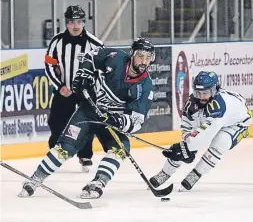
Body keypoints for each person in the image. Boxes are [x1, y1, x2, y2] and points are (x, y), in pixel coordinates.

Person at [18, 37, 155, 199]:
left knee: (120, 149)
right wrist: (85, 73)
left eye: (148, 57)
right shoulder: (115, 57)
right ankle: (35, 178)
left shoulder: (145, 86)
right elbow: (91, 56)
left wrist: (120, 121)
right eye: (140, 55)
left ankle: (98, 182)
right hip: (88, 111)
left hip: (110, 121)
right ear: (132, 54)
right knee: (66, 147)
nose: (144, 61)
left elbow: (137, 120)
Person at [150, 71, 252, 191]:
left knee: (220, 143)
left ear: (214, 90)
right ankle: (164, 173)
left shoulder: (219, 106)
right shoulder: (191, 103)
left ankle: (195, 174)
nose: (201, 96)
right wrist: (186, 143)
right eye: (198, 93)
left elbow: (205, 137)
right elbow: (187, 128)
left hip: (236, 124)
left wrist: (187, 149)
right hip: (215, 120)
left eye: (205, 93)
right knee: (185, 145)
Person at [44, 5, 104, 172]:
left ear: (84, 22)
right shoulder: (56, 41)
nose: (75, 25)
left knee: (86, 123)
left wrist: (93, 90)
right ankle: (55, 152)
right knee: (56, 121)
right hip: (64, 91)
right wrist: (60, 86)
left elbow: (103, 70)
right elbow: (49, 66)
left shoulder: (95, 44)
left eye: (79, 21)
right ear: (66, 23)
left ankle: (85, 155)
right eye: (71, 22)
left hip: (86, 94)